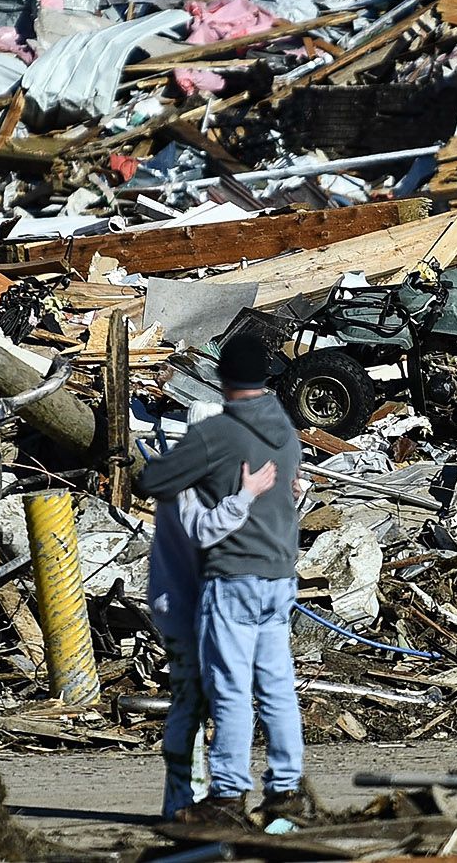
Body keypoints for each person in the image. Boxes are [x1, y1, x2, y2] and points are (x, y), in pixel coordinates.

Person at [137, 332, 306, 828]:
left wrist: (207, 477)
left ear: (222, 378)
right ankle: (286, 795)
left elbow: (154, 480)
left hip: (234, 578)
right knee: (276, 687)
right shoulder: (288, 432)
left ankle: (228, 797)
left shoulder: (219, 434)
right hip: (280, 579)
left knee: (229, 687)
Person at [146, 454, 277, 819]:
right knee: (194, 702)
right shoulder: (191, 486)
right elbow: (206, 534)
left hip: (185, 608)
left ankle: (189, 796)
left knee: (195, 702)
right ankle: (184, 799)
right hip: (186, 611)